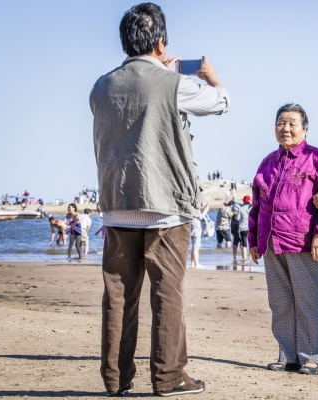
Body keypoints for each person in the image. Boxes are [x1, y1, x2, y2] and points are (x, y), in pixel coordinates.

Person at [89, 3, 229, 396]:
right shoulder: (172, 83)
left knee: (118, 296)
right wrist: (212, 78)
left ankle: (116, 379)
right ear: (161, 41)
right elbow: (221, 104)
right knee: (167, 293)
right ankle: (168, 377)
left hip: (117, 202)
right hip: (164, 205)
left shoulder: (101, 86)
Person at [248, 103, 318, 375]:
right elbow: (257, 206)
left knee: (308, 300)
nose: (285, 128)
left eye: (292, 123)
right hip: (272, 242)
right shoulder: (267, 163)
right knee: (280, 301)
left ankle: (310, 356)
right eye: (280, 123)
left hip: (303, 241)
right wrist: (253, 240)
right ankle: (287, 355)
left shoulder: (317, 158)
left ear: (305, 130)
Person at [189, 202, 210, 269]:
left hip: (191, 228)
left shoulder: (189, 208)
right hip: (196, 228)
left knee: (193, 247)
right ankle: (196, 264)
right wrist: (206, 210)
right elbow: (200, 217)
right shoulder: (195, 209)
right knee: (196, 247)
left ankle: (192, 264)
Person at [237, 195, 252, 263]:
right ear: (249, 201)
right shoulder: (253, 208)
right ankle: (252, 257)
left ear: (244, 201)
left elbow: (237, 218)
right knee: (252, 243)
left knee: (244, 243)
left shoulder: (240, 208)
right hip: (251, 227)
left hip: (243, 228)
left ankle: (244, 258)